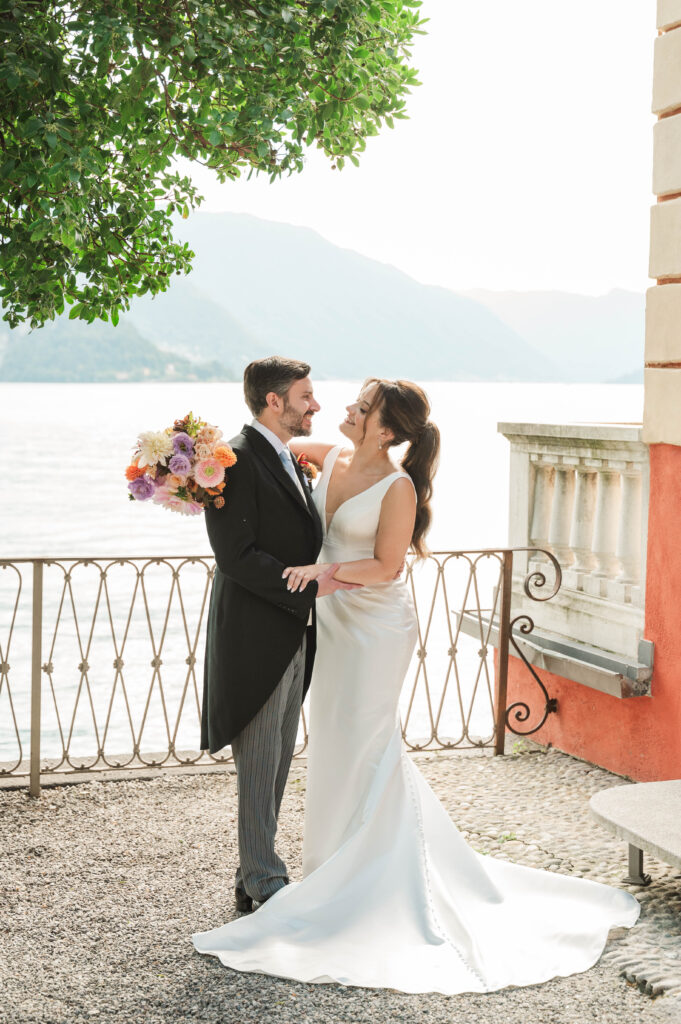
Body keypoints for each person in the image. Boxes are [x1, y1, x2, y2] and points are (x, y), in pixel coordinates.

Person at [194, 378, 639, 994]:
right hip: (331, 621)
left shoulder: (397, 487)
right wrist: (191, 462)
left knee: (367, 742)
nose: (344, 408)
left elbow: (386, 566)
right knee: (334, 744)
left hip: (374, 625)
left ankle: (373, 875)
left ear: (384, 428)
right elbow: (265, 457)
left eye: (360, 406)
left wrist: (319, 572)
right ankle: (331, 867)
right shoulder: (332, 456)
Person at [201, 356, 354, 915]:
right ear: (275, 401)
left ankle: (254, 874)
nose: (315, 405)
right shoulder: (235, 460)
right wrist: (308, 589)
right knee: (261, 761)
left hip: (293, 629)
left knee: (278, 759)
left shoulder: (287, 456)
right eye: (306, 396)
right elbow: (235, 556)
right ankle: (264, 880)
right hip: (256, 631)